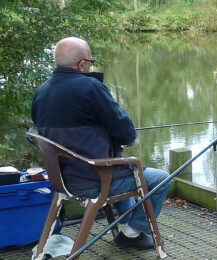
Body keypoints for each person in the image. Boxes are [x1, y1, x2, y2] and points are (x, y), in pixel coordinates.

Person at [31, 37, 171, 249]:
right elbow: (124, 129)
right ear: (81, 64)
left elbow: (67, 133)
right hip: (94, 180)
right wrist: (127, 139)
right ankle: (131, 233)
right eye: (90, 61)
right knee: (160, 179)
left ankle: (125, 223)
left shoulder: (41, 92)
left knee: (119, 163)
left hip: (62, 179)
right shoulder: (91, 87)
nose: (90, 66)